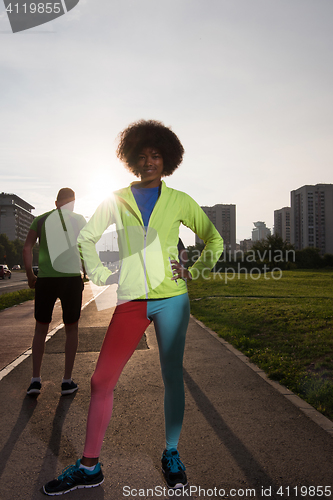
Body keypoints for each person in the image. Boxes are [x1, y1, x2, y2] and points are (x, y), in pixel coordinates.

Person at [43, 120, 223, 495]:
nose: (149, 162)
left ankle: (171, 453)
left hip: (172, 299)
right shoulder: (117, 198)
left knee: (172, 376)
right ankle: (90, 466)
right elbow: (88, 239)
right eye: (142, 156)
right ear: (132, 160)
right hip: (132, 301)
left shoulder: (180, 201)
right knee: (100, 380)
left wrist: (194, 270)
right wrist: (99, 272)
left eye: (156, 155)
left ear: (167, 159)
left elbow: (214, 239)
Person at [23, 188, 86, 396]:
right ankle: (66, 381)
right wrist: (85, 271)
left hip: (46, 280)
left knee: (40, 329)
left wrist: (31, 275)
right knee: (72, 329)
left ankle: (35, 380)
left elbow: (27, 247)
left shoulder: (40, 221)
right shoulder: (78, 220)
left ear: (57, 202)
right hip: (70, 280)